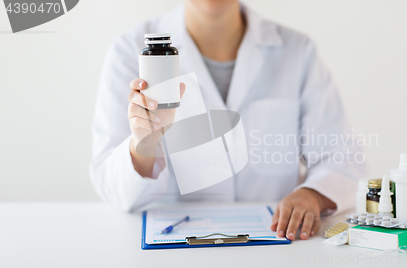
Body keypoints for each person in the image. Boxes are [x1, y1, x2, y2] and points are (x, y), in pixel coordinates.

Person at [90, 0, 366, 241]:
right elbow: (112, 185)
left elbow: (341, 157)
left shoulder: (297, 52)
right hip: (173, 247)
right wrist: (143, 143)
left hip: (276, 246)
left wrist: (311, 196)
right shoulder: (130, 50)